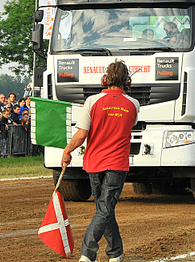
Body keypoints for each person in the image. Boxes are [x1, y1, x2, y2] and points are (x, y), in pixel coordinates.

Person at [61, 60, 139, 262]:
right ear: (127, 82)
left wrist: (67, 151)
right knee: (105, 209)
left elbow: (81, 135)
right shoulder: (134, 104)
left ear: (105, 79)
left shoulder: (91, 101)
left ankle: (102, 254)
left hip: (94, 163)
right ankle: (104, 254)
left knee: (103, 209)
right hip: (117, 164)